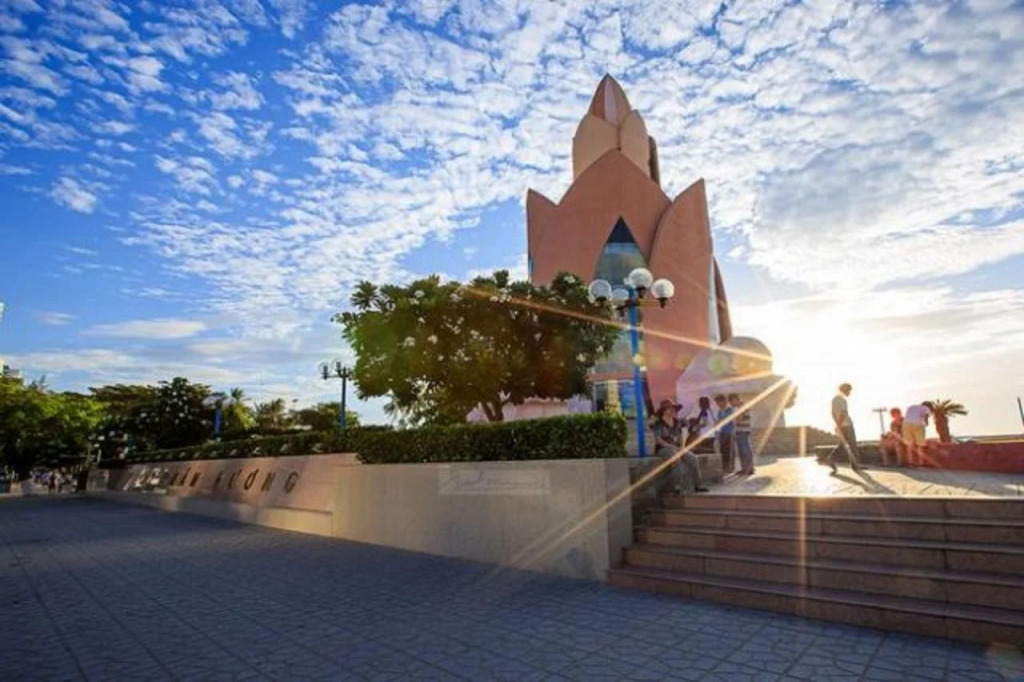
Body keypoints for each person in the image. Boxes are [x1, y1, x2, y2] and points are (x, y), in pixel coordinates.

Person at [652, 399, 708, 493]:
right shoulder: (658, 424)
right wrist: (672, 447)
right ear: (664, 410)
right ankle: (677, 486)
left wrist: (682, 447)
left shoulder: (676, 422)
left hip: (676, 447)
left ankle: (698, 485)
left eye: (674, 408)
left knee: (693, 458)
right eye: (670, 408)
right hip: (663, 448)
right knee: (675, 457)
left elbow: (680, 436)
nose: (673, 410)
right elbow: (658, 440)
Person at [821, 383, 862, 474]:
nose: (850, 393)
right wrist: (839, 425)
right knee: (852, 445)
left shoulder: (834, 399)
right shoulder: (841, 399)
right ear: (845, 390)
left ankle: (831, 459)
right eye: (849, 390)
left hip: (841, 425)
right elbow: (843, 413)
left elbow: (832, 413)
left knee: (843, 445)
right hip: (847, 425)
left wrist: (837, 424)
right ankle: (855, 466)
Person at [728, 393, 755, 475]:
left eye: (731, 402)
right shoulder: (738, 408)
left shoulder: (743, 406)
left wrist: (734, 417)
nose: (731, 404)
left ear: (735, 399)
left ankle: (750, 469)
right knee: (741, 451)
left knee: (745, 450)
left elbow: (738, 419)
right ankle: (744, 468)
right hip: (739, 430)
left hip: (743, 431)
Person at [902, 402, 932, 467]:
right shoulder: (926, 408)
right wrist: (926, 423)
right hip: (917, 424)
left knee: (909, 444)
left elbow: (907, 415)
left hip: (906, 424)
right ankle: (921, 464)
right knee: (920, 445)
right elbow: (926, 416)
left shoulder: (911, 406)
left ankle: (910, 463)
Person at [714, 394, 735, 474]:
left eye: (719, 402)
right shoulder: (720, 411)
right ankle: (724, 467)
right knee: (723, 451)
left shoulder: (730, 410)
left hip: (729, 433)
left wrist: (719, 421)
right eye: (717, 403)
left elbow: (728, 420)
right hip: (722, 433)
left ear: (724, 401)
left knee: (729, 451)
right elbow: (718, 421)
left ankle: (730, 468)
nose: (718, 404)